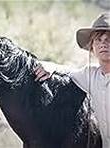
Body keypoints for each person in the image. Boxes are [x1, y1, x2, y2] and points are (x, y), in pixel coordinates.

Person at [34, 13, 110, 148]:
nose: (103, 43)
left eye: (109, 39)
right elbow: (68, 71)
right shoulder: (91, 75)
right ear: (92, 47)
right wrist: (49, 66)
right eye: (98, 39)